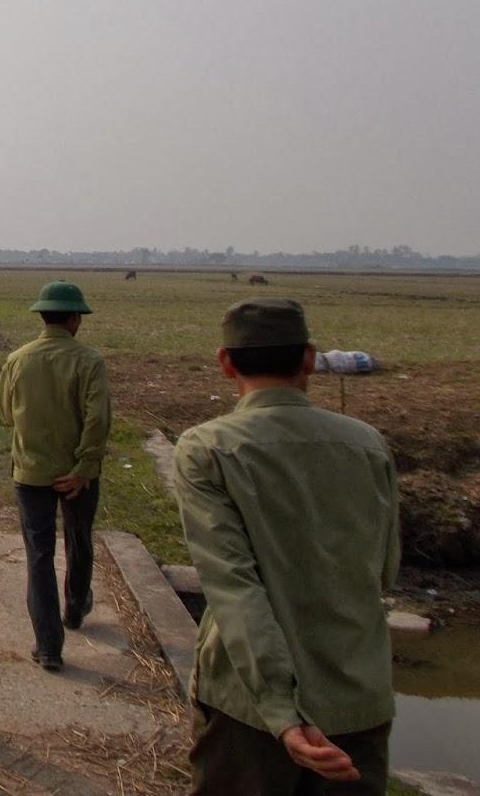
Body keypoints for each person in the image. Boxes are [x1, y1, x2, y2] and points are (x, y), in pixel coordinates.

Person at [174, 299, 400, 796]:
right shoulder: (368, 445)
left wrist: (282, 713)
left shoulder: (206, 449)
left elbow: (235, 589)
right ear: (310, 359)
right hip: (356, 696)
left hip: (250, 707)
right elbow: (385, 570)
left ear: (225, 362)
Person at [0, 280, 111, 670]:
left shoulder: (18, 360)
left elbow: (7, 414)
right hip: (78, 475)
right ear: (76, 319)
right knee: (78, 541)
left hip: (30, 473)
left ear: (42, 316)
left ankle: (48, 647)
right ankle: (75, 608)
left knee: (39, 556)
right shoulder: (90, 362)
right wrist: (83, 468)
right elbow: (98, 420)